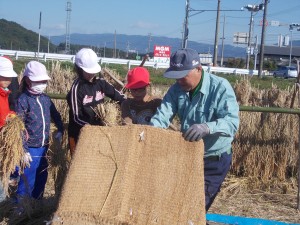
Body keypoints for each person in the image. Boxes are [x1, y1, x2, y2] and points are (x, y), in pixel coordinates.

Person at [149, 48, 239, 212]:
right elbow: (162, 116)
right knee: (179, 204)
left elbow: (232, 123)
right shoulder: (177, 90)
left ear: (198, 69)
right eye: (176, 77)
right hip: (188, 155)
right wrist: (148, 134)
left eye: (183, 76)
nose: (179, 81)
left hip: (214, 159)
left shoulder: (220, 87)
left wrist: (207, 127)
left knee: (195, 207)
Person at [14, 60, 64, 202]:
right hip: (31, 147)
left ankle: (37, 203)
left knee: (42, 175)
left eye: (44, 81)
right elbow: (19, 126)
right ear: (28, 81)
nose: (42, 84)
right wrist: (23, 150)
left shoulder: (45, 99)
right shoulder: (23, 100)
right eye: (38, 81)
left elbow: (56, 115)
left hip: (44, 145)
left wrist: (60, 129)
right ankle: (22, 207)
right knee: (27, 178)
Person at [67, 48, 125, 157]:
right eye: (88, 72)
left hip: (99, 132)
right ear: (79, 69)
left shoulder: (100, 83)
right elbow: (76, 117)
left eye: (93, 71)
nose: (91, 74)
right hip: (80, 133)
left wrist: (127, 103)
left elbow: (117, 95)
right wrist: (90, 128)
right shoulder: (76, 88)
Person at [0, 56, 18, 203]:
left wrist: (12, 116)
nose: (8, 80)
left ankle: (2, 200)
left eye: (9, 77)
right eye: (4, 77)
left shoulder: (5, 93)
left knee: (3, 171)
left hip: (3, 137)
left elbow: (5, 112)